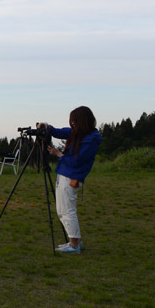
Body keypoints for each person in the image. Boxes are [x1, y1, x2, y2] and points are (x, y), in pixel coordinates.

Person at [39, 106, 102, 254]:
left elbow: (76, 161)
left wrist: (58, 154)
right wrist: (48, 127)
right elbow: (60, 132)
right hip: (64, 175)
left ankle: (74, 245)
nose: (72, 124)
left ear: (82, 121)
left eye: (74, 121)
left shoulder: (90, 139)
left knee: (67, 211)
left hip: (71, 177)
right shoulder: (79, 133)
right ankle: (74, 242)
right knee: (62, 210)